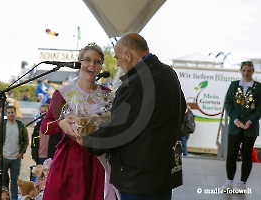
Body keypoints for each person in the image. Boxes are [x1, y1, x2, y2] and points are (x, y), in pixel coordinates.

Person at [61, 33, 186, 200]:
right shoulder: (168, 73)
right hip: (163, 171)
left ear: (128, 55)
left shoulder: (136, 82)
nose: (118, 62)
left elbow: (120, 127)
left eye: (118, 57)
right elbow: (181, 107)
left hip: (139, 177)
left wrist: (89, 140)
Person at [40, 43, 118, 200]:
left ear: (101, 66)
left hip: (99, 158)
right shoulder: (63, 93)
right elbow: (45, 126)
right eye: (87, 60)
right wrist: (60, 124)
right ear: (79, 61)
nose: (92, 65)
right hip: (71, 160)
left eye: (97, 61)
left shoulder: (107, 94)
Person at [220, 61, 261, 192]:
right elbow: (228, 103)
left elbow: (259, 107)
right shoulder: (233, 85)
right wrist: (235, 119)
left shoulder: (258, 87)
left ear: (253, 71)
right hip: (235, 126)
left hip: (250, 127)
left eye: (249, 71)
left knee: (246, 154)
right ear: (241, 71)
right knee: (231, 154)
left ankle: (242, 183)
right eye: (244, 70)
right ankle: (229, 181)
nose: (246, 73)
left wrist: (250, 120)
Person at [0, 105, 29, 200]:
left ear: (15, 113)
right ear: (6, 114)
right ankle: (2, 197)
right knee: (2, 180)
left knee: (14, 180)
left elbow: (26, 140)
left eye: (12, 112)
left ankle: (14, 198)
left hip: (16, 158)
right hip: (4, 157)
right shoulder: (1, 126)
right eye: (9, 112)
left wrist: (21, 152)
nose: (11, 114)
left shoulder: (21, 126)